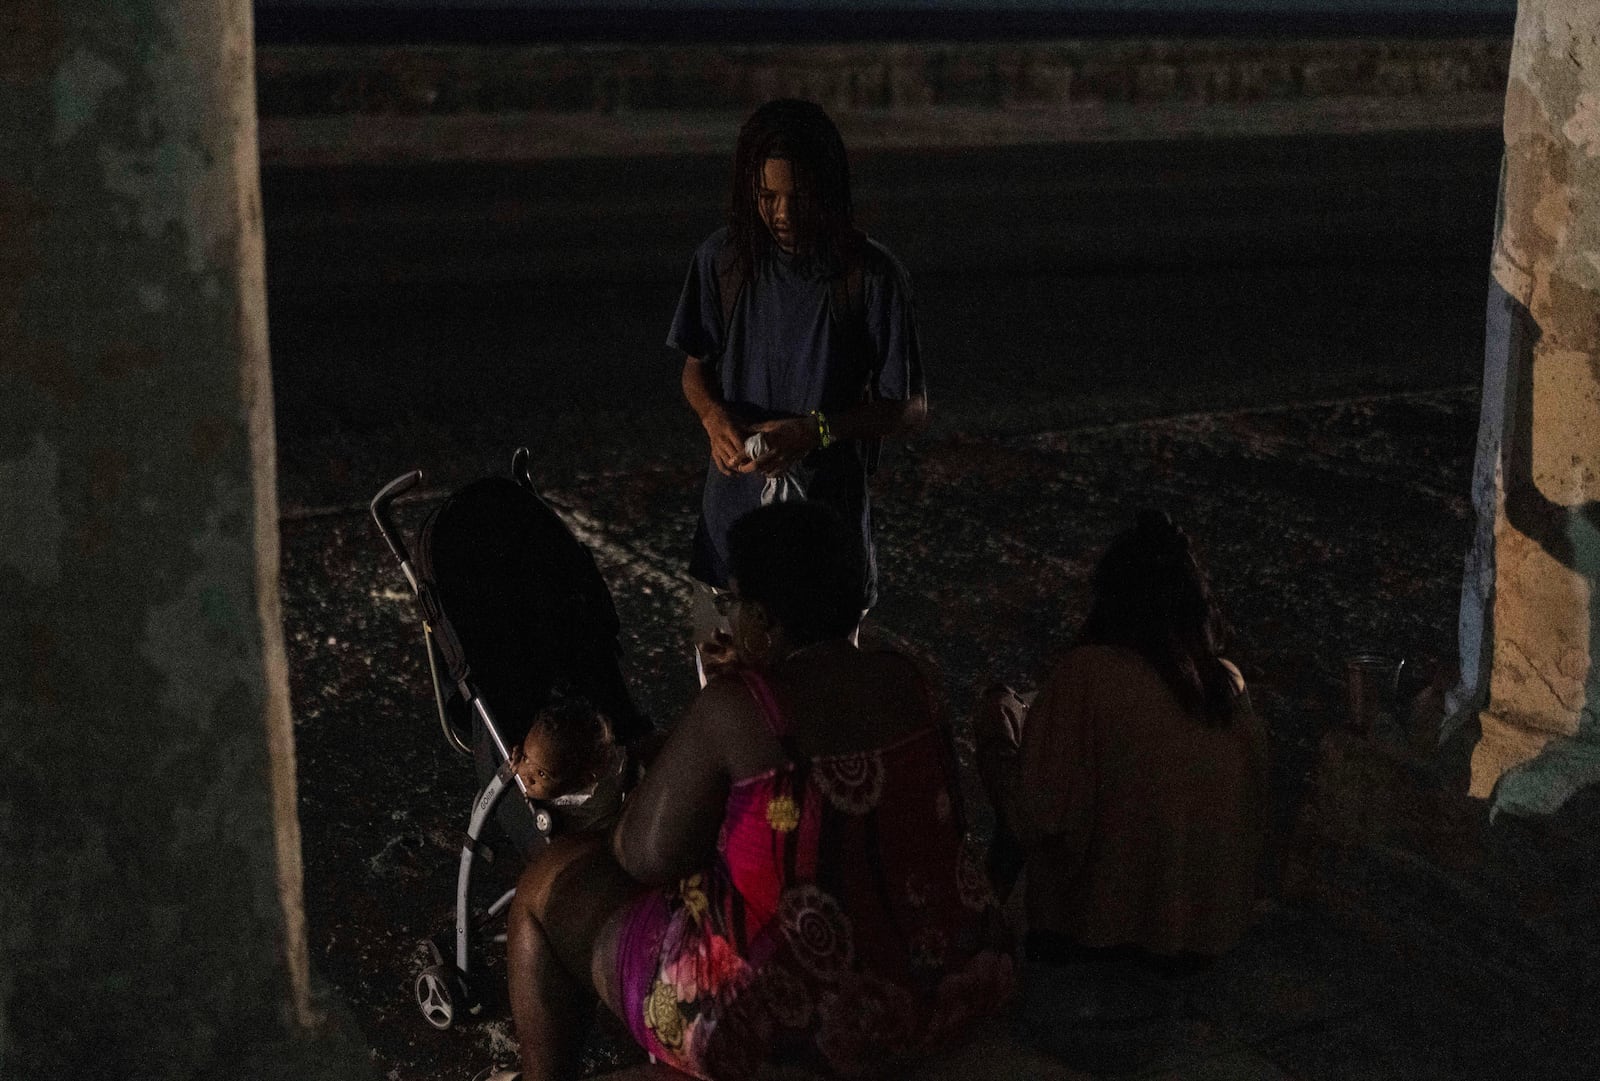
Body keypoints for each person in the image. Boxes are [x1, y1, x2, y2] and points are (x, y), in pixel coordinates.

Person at [502, 502, 1014, 1081]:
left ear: (767, 622)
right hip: (953, 978)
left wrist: (726, 700)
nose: (728, 617)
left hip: (801, 1025)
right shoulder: (912, 680)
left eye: (734, 602)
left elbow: (643, 854)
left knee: (548, 884)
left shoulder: (744, 706)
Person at [668, 99, 928, 676]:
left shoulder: (871, 275)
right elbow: (695, 367)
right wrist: (714, 419)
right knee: (729, 714)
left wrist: (817, 430)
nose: (782, 213)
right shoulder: (723, 262)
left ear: (828, 188)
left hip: (826, 537)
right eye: (767, 197)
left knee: (823, 711)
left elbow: (909, 408)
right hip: (729, 534)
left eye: (799, 195)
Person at [977, 510, 1269, 971]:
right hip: (1207, 946)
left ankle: (981, 930)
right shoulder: (1226, 682)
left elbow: (1036, 819)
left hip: (1101, 950)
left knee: (1003, 728)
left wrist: (998, 741)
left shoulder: (1088, 675)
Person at [507, 695, 628, 834]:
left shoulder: (594, 803)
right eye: (525, 758)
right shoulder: (552, 766)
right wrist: (514, 757)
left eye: (541, 774)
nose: (526, 777)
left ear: (580, 781)